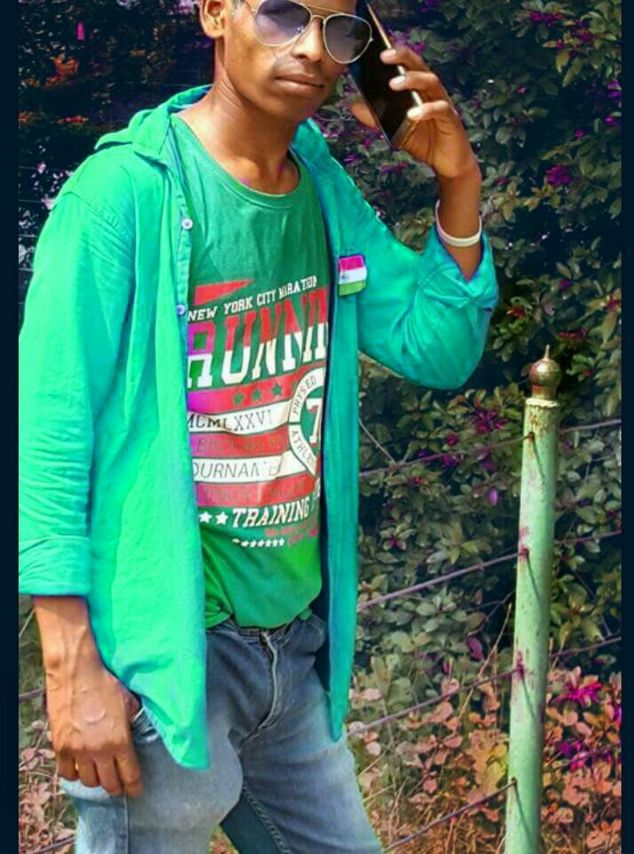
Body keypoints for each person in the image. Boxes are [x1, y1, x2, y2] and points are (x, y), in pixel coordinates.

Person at [19, 0, 499, 850]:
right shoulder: (122, 194)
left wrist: (458, 183)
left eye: (340, 29)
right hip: (169, 665)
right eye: (282, 14)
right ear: (215, 13)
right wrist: (71, 666)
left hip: (291, 654)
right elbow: (50, 429)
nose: (312, 49)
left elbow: (435, 344)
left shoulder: (319, 184)